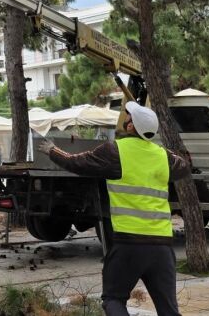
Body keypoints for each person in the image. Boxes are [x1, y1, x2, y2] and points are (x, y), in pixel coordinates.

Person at [37, 101, 190, 316]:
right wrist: (161, 149)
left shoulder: (115, 150)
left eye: (126, 118)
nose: (123, 120)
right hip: (162, 247)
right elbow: (184, 165)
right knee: (168, 310)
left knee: (113, 299)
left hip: (129, 244)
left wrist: (53, 151)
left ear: (130, 127)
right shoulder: (163, 156)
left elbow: (78, 163)